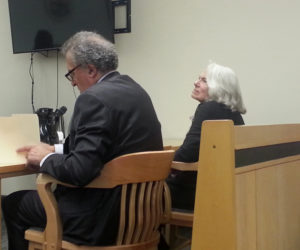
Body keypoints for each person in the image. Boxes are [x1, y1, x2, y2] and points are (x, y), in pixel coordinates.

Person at [2, 31, 163, 250]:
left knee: (13, 203)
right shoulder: (137, 91)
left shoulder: (93, 99)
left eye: (71, 74)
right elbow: (105, 146)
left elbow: (79, 171)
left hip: (99, 219)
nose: (72, 83)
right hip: (140, 215)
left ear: (91, 69)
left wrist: (45, 158)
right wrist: (55, 149)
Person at [166, 62, 246, 210]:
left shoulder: (209, 108)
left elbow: (187, 153)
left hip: (199, 192)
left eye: (204, 81)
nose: (195, 83)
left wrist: (161, 165)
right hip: (222, 187)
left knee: (141, 190)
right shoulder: (233, 111)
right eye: (198, 78)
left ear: (219, 88)